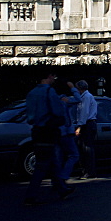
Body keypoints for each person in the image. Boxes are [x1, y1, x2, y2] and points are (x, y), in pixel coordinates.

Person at [24, 72, 74, 204]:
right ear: (49, 76)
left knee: (51, 161)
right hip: (48, 130)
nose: (54, 79)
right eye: (53, 77)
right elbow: (57, 112)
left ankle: (61, 188)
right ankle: (31, 194)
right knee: (43, 164)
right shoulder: (49, 92)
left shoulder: (31, 93)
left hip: (36, 131)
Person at [55, 80, 81, 183]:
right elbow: (78, 99)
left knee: (58, 157)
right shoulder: (65, 100)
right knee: (74, 155)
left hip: (57, 131)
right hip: (66, 131)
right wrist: (73, 88)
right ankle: (63, 176)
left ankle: (57, 179)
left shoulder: (53, 100)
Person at [74, 79, 98, 179]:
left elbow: (84, 112)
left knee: (87, 149)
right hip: (88, 124)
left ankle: (89, 171)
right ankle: (87, 170)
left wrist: (79, 126)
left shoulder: (86, 97)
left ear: (80, 88)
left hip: (87, 124)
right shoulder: (86, 97)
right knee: (85, 149)